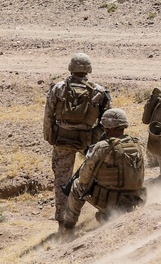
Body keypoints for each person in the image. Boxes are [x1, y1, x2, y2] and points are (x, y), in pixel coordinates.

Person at [43, 53, 111, 231]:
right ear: (88, 69)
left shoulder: (58, 88)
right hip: (86, 141)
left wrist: (50, 136)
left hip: (62, 140)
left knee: (62, 180)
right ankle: (106, 211)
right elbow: (108, 120)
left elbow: (48, 115)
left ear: (70, 67)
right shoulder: (98, 91)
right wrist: (95, 135)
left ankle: (63, 223)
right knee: (96, 176)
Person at [61, 109, 145, 234]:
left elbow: (84, 177)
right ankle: (106, 216)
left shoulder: (103, 147)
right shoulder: (136, 144)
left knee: (77, 185)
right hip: (133, 199)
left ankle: (68, 229)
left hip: (111, 201)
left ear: (107, 127)